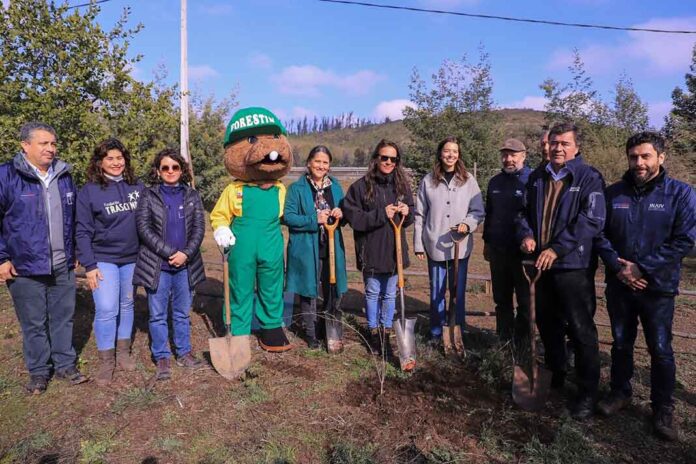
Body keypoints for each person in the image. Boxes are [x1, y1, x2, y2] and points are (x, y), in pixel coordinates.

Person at [595, 131, 696, 441]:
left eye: (645, 156)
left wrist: (644, 267)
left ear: (660, 157)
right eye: (633, 157)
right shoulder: (613, 194)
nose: (639, 162)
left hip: (658, 288)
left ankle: (663, 408)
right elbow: (599, 235)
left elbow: (685, 239)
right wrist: (618, 267)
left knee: (661, 349)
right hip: (621, 285)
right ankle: (620, 392)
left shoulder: (680, 194)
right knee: (621, 342)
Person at [516, 122, 605, 420]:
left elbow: (590, 221)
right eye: (554, 143)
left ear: (576, 147)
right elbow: (522, 212)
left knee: (581, 330)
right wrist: (526, 234)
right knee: (547, 323)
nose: (558, 148)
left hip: (572, 266)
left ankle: (587, 393)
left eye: (565, 143)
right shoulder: (537, 177)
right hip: (541, 266)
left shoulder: (589, 177)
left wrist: (556, 248)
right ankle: (556, 372)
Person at [0, 122, 87, 394]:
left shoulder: (63, 174)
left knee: (63, 317)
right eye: (44, 143)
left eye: (53, 143)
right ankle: (38, 372)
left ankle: (65, 364)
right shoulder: (7, 176)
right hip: (24, 265)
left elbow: (71, 218)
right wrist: (2, 257)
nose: (51, 148)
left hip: (62, 263)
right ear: (25, 146)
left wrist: (72, 252)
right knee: (33, 322)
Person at [76, 138, 144, 386]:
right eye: (110, 158)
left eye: (119, 158)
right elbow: (82, 231)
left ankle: (123, 351)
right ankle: (107, 360)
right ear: (100, 162)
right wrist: (90, 266)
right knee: (106, 308)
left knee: (127, 303)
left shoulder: (137, 186)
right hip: (103, 258)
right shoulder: (90, 191)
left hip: (131, 258)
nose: (116, 163)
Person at [133, 149, 206, 380]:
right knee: (157, 314)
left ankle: (183, 352)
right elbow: (144, 229)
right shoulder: (148, 195)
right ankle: (162, 356)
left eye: (175, 167)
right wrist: (169, 252)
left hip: (185, 265)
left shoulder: (192, 195)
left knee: (182, 313)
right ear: (158, 171)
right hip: (158, 266)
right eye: (166, 167)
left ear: (182, 170)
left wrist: (185, 253)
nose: (171, 171)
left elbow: (199, 229)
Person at [343, 139, 414, 352]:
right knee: (373, 292)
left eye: (393, 159)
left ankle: (386, 329)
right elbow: (355, 219)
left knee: (390, 293)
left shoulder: (401, 186)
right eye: (385, 158)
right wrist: (381, 214)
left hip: (395, 250)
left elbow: (410, 215)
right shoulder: (360, 187)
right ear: (376, 158)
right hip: (371, 248)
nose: (389, 162)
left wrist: (406, 212)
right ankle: (373, 329)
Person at [414, 136, 485, 343]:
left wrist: (467, 225)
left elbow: (478, 211)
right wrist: (419, 244)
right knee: (437, 291)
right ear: (440, 153)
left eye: (454, 151)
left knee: (458, 292)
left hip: (460, 246)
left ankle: (457, 331)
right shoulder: (428, 181)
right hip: (435, 244)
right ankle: (436, 332)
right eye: (447, 151)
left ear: (459, 155)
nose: (450, 155)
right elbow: (420, 214)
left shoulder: (468, 180)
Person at [284, 145, 348, 349]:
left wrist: (341, 213)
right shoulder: (296, 188)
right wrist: (314, 219)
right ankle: (311, 332)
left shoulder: (335, 187)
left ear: (329, 166)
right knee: (308, 289)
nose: (321, 165)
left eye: (325, 162)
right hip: (306, 247)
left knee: (333, 287)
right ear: (309, 163)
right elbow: (289, 217)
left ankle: (327, 325)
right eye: (317, 161)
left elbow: (345, 213)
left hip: (331, 246)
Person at [482, 138, 531, 346]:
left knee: (525, 301)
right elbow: (489, 214)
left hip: (522, 253)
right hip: (498, 250)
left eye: (513, 155)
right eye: (505, 155)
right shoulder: (495, 182)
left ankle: (522, 344)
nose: (508, 159)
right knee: (501, 299)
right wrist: (486, 241)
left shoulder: (532, 181)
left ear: (523, 156)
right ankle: (504, 341)